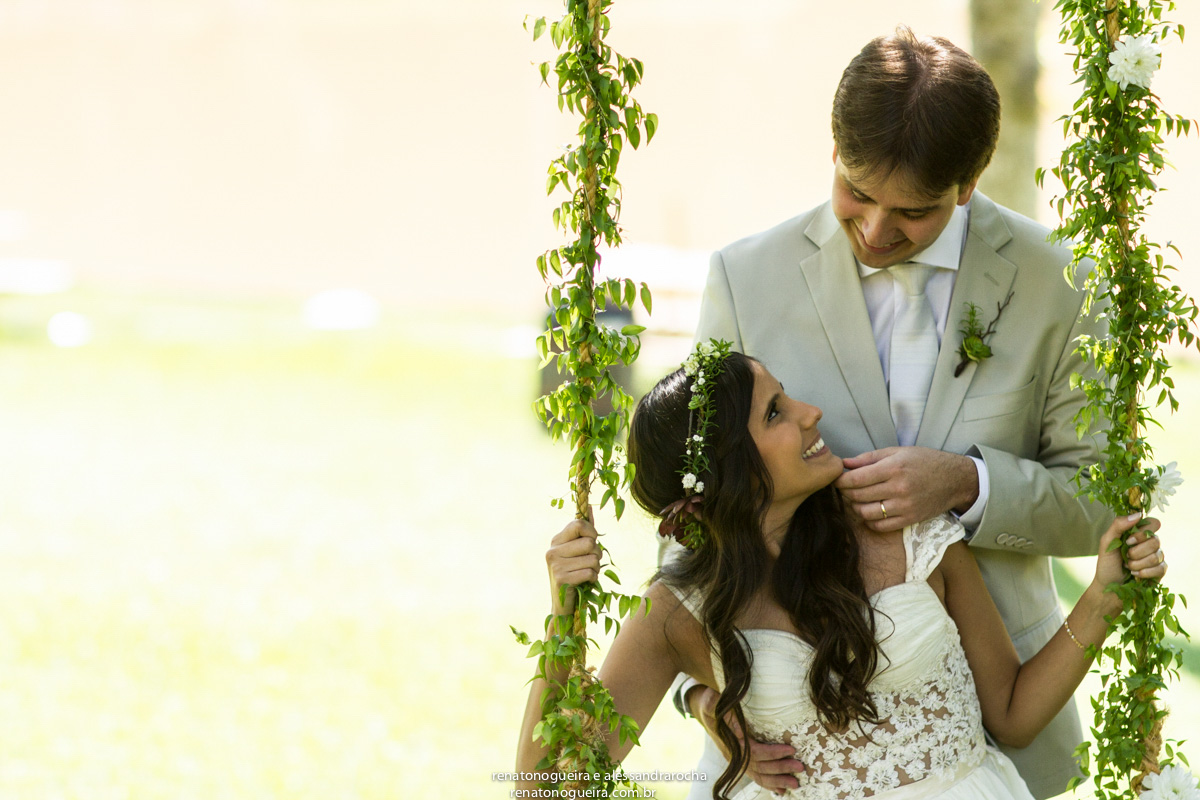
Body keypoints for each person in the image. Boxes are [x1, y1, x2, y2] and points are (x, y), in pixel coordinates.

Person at [682, 27, 1112, 799]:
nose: (877, 232)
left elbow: (1102, 500)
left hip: (996, 734)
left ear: (970, 181)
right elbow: (699, 504)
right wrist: (702, 696)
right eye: (857, 192)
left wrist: (967, 486)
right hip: (791, 748)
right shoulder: (745, 278)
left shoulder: (1064, 281)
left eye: (912, 211)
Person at [515, 345, 1167, 800]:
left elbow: (1014, 713)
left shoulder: (904, 525)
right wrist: (565, 614)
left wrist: (1104, 593)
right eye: (775, 412)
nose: (810, 413)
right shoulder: (679, 611)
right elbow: (551, 788)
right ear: (732, 476)